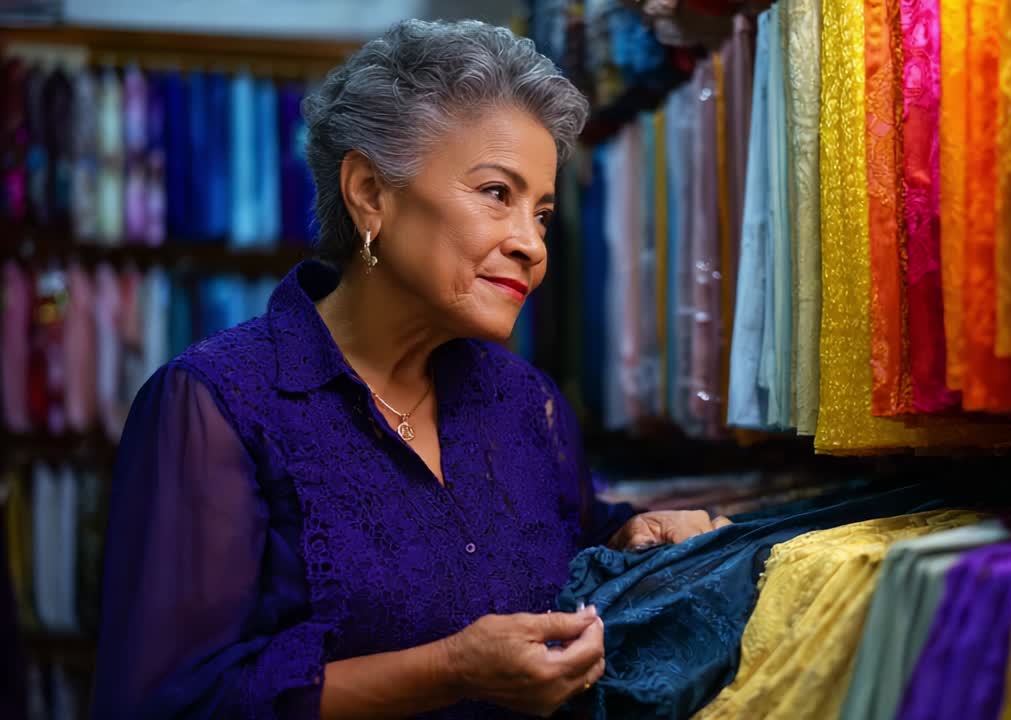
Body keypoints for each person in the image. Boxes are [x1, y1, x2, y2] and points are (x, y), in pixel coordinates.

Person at [91, 20, 729, 720]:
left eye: (542, 213)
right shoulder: (217, 407)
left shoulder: (528, 406)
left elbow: (556, 540)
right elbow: (172, 703)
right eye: (496, 193)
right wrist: (451, 668)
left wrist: (628, 533)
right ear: (370, 191)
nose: (530, 244)